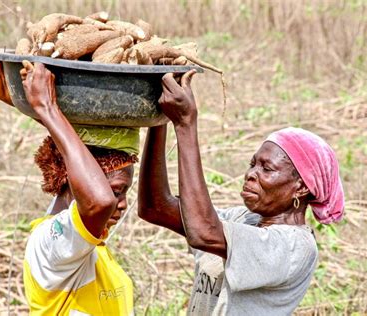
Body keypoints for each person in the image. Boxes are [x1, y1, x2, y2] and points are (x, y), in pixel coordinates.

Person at [138, 70, 345, 315]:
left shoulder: (294, 248)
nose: (250, 174)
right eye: (252, 164)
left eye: (266, 168)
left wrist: (185, 124)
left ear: (301, 186)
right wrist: (159, 119)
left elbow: (203, 232)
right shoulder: (242, 220)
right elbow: (155, 208)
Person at [0, 60, 138, 315]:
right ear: (74, 180)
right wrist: (47, 108)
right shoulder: (51, 243)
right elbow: (99, 201)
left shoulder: (88, 242)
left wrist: (160, 119)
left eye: (124, 192)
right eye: (116, 190)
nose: (121, 203)